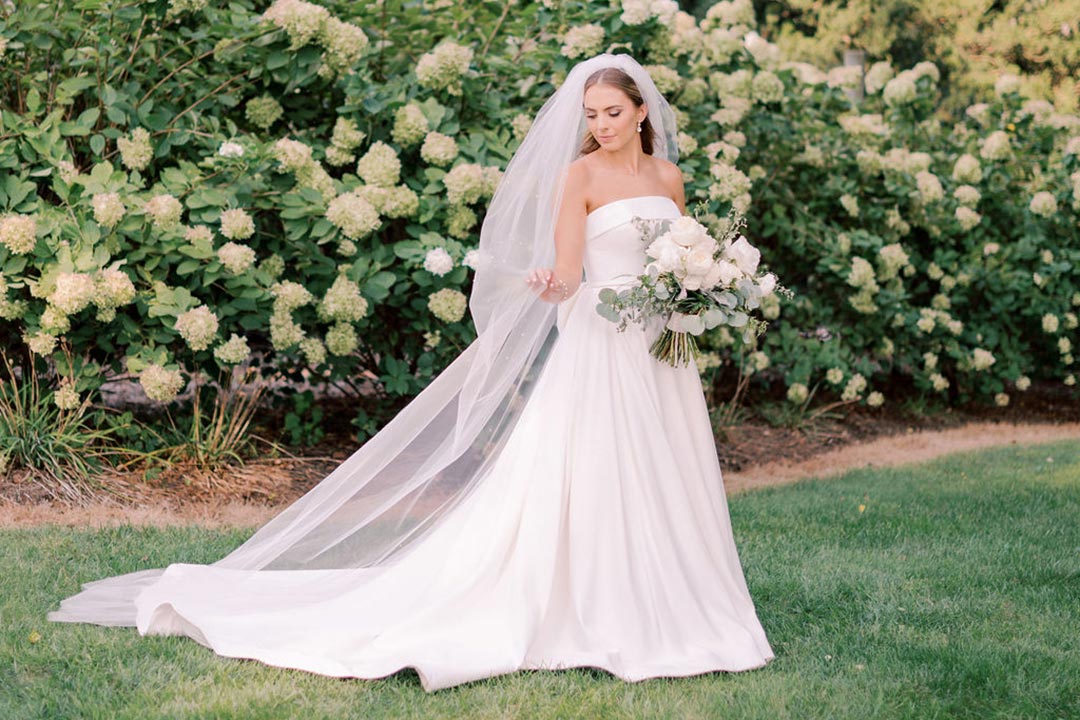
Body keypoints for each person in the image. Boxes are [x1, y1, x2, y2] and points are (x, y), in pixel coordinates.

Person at [49, 53, 776, 692]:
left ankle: (673, 597)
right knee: (592, 470)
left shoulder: (667, 175)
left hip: (659, 348)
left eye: (614, 112)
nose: (603, 123)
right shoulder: (578, 175)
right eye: (591, 113)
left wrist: (698, 287)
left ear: (643, 110)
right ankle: (599, 607)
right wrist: (544, 284)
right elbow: (569, 273)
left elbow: (680, 251)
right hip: (601, 345)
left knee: (663, 470)